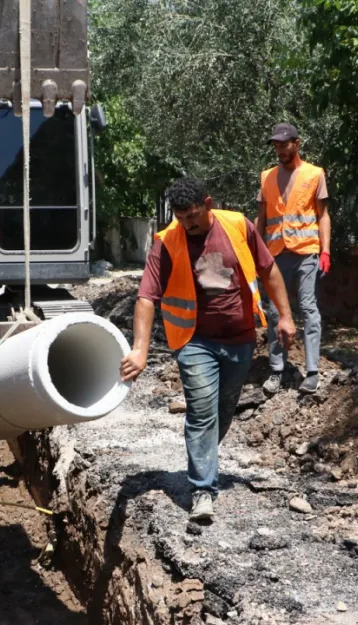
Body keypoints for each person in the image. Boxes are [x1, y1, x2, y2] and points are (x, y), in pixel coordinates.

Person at [120, 176, 295, 521]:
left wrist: (285, 317)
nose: (187, 224)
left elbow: (268, 268)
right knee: (202, 412)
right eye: (181, 217)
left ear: (209, 204)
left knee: (224, 410)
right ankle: (203, 489)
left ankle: (203, 459)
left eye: (194, 216)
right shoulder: (168, 241)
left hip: (240, 338)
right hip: (194, 340)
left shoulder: (237, 226)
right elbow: (146, 297)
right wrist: (139, 349)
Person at [255, 123, 331, 396]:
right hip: (275, 254)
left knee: (309, 309)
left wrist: (325, 251)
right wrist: (255, 250)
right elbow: (261, 219)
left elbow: (322, 215)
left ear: (296, 144)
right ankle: (277, 370)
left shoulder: (315, 174)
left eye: (283, 144)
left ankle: (311, 372)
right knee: (275, 312)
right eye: (275, 145)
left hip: (306, 252)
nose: (279, 150)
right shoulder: (266, 177)